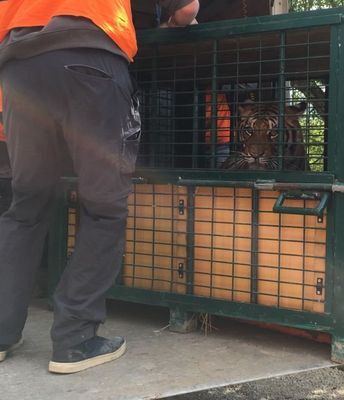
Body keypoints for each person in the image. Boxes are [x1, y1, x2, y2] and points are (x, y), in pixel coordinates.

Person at [0, 0, 198, 374]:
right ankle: (75, 340)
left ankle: (1, 333)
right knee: (104, 207)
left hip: (18, 66)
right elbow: (187, 9)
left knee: (25, 206)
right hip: (89, 56)